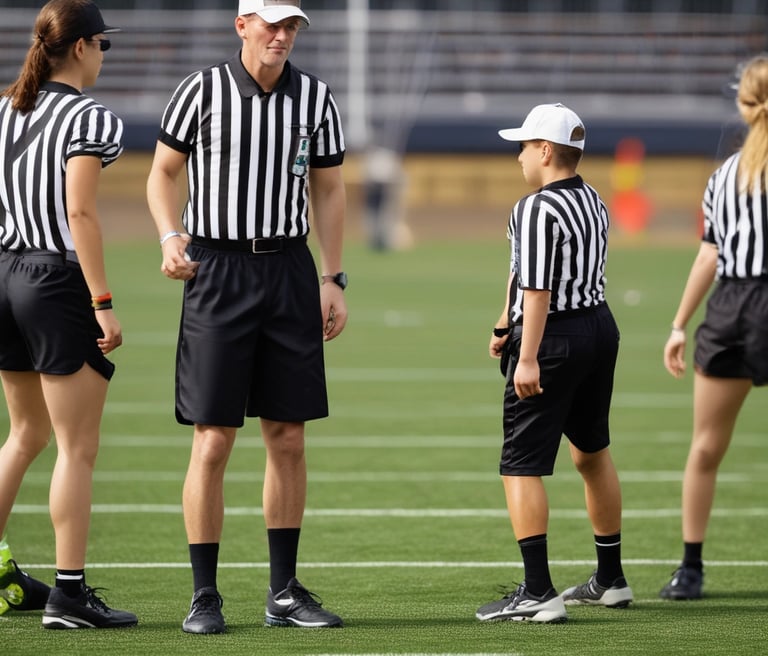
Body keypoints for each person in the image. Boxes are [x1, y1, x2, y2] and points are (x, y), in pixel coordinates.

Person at [146, 0, 348, 634]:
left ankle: (283, 591)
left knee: (288, 435)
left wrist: (333, 277)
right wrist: (168, 235)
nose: (282, 36)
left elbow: (329, 187)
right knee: (213, 438)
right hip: (217, 270)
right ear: (242, 25)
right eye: (272, 24)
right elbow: (162, 173)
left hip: (288, 268)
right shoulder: (200, 90)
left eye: (292, 27)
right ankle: (204, 596)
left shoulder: (316, 98)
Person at [0, 0, 137, 629]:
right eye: (103, 44)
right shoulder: (89, 116)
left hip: (6, 273)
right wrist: (102, 302)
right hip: (53, 279)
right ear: (81, 47)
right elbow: (79, 212)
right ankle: (70, 595)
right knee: (76, 447)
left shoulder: (6, 108)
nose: (104, 55)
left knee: (24, 434)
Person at [476, 104, 633, 624]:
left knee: (519, 465)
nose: (519, 156)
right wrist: (505, 320)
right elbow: (523, 272)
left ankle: (538, 592)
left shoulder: (536, 208)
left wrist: (526, 356)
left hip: (554, 337)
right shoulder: (594, 199)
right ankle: (610, 579)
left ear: (545, 150)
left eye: (524, 146)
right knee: (592, 453)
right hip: (598, 328)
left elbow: (538, 288)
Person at [660, 53, 768, 601]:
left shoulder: (722, 176)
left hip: (730, 307)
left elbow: (709, 255)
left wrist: (679, 324)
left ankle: (690, 569)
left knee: (705, 447)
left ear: (743, 105)